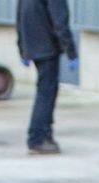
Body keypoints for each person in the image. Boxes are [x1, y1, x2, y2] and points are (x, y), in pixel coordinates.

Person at [17, 0, 77, 155]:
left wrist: (22, 48)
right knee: (46, 93)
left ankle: (46, 134)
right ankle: (37, 138)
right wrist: (71, 51)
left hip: (33, 46)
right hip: (47, 47)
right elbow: (60, 21)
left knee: (46, 91)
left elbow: (19, 17)